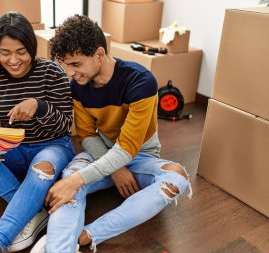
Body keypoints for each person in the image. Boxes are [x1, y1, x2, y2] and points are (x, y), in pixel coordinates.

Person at [31, 14, 192, 253]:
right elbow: (86, 135)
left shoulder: (141, 82)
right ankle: (59, 248)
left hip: (140, 156)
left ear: (98, 54)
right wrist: (114, 169)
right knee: (70, 180)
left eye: (76, 64)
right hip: (100, 153)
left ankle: (86, 236)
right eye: (68, 66)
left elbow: (128, 147)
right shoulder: (78, 86)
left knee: (177, 178)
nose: (72, 73)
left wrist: (88, 176)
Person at [0, 12, 75, 253]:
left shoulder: (52, 72)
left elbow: (65, 126)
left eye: (21, 51)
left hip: (52, 147)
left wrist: (38, 106)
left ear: (31, 46)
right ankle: (34, 209)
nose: (14, 60)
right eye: (5, 53)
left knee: (43, 167)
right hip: (12, 148)